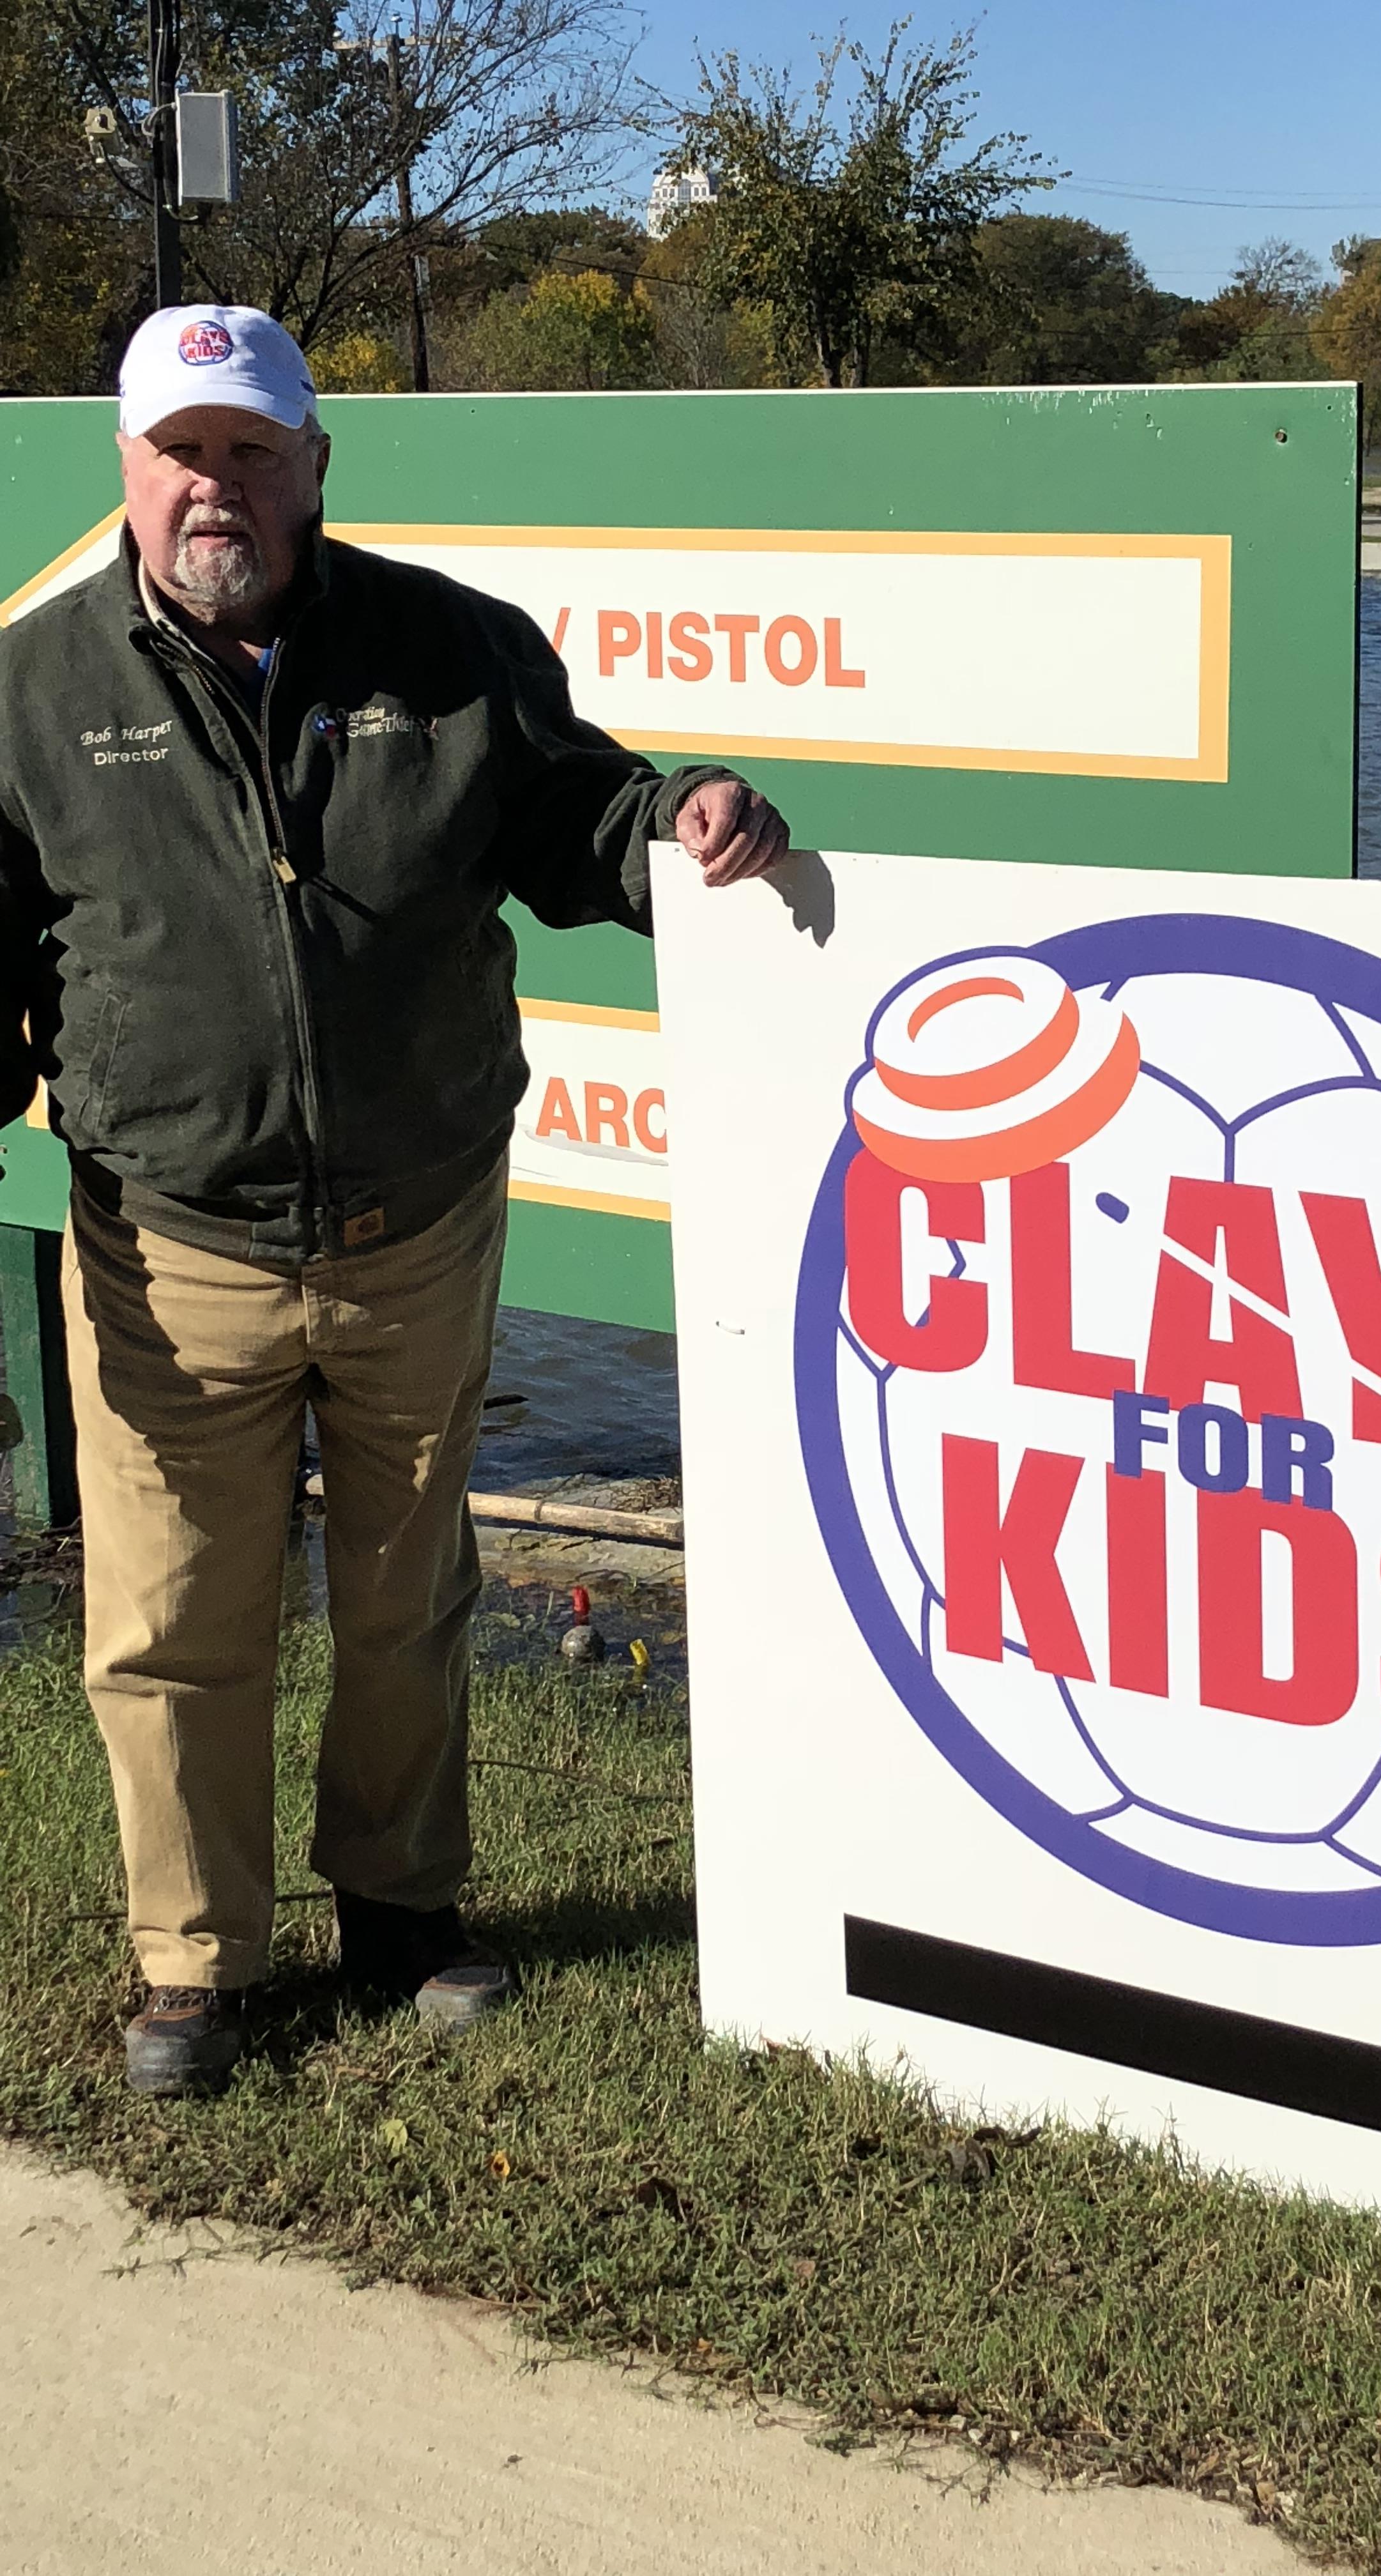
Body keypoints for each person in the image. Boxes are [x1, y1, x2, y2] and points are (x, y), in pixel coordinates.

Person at [0, 305, 790, 2098]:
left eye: (252, 451)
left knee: (406, 1593)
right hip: (167, 1239)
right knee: (169, 1622)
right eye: (183, 453)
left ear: (314, 467)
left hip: (418, 1227)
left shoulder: (450, 649)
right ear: (127, 467)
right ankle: (194, 1964)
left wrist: (686, 819)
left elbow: (582, 818)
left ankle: (405, 1909)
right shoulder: (29, 692)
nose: (217, 487)